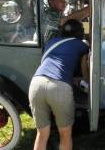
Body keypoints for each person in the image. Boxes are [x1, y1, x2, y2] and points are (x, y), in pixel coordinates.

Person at [29, 19, 89, 150]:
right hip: (59, 87)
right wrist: (87, 81)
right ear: (80, 33)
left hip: (36, 83)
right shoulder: (82, 45)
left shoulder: (51, 42)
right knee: (65, 135)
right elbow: (84, 70)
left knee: (42, 134)